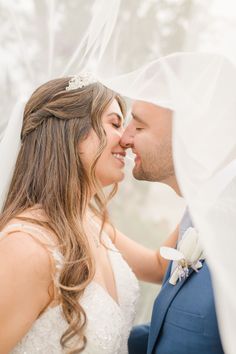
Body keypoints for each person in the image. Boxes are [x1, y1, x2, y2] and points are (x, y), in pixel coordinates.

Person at [0, 74, 179, 354]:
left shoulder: (92, 224)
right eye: (115, 123)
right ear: (71, 131)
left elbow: (159, 266)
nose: (128, 139)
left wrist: (205, 187)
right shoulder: (25, 246)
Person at [121, 100, 224, 354]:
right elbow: (160, 266)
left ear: (186, 134)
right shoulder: (199, 213)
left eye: (140, 126)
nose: (125, 137)